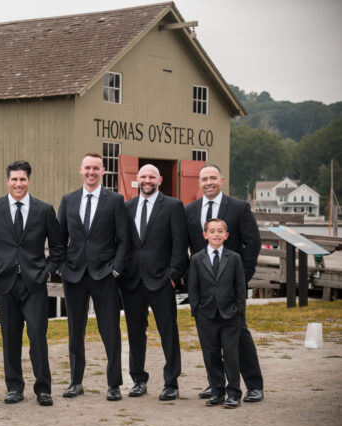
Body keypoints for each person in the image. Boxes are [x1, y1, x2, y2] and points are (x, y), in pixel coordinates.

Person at [0, 160, 64, 406]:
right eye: (14, 179)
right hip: (4, 283)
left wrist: (47, 272)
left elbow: (57, 248)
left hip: (34, 284)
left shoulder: (44, 210)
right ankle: (14, 387)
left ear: (29, 181)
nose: (18, 184)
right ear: (7, 181)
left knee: (37, 336)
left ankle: (43, 389)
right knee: (10, 337)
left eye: (22, 179)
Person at [185, 163, 264, 403]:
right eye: (204, 179)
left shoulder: (239, 207)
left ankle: (253, 385)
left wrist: (242, 275)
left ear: (221, 180)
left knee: (239, 336)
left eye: (213, 178)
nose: (208, 182)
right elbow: (187, 246)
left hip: (231, 288)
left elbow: (253, 243)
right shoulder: (190, 210)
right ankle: (216, 384)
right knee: (210, 340)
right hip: (206, 290)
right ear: (199, 182)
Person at [57, 153, 127, 401]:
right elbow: (59, 238)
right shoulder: (68, 200)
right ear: (80, 169)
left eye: (96, 168)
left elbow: (123, 239)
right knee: (75, 330)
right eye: (87, 167)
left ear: (103, 171)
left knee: (110, 330)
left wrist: (116, 268)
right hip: (74, 275)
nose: (91, 172)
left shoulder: (115, 200)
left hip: (104, 274)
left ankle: (114, 384)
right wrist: (61, 267)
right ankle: (76, 382)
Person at [120, 164, 188, 401]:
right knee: (135, 334)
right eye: (143, 176)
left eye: (151, 176)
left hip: (161, 280)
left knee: (168, 332)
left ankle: (171, 382)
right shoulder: (126, 207)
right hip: (132, 282)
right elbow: (122, 242)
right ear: (137, 180)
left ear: (159, 179)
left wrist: (173, 276)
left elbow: (180, 246)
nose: (147, 180)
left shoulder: (172, 206)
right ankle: (138, 380)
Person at [188, 218, 246, 409]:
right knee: (211, 355)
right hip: (206, 315)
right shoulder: (197, 258)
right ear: (205, 235)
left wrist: (239, 310)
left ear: (226, 235)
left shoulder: (234, 258)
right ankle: (217, 391)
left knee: (231, 355)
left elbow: (240, 286)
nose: (216, 234)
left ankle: (234, 393)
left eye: (220, 231)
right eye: (212, 231)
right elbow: (193, 286)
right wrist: (196, 309)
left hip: (230, 315)